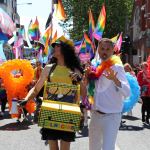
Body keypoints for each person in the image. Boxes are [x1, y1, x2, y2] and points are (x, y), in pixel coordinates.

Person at [19, 36, 86, 150]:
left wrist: (79, 80)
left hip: (68, 113)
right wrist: (26, 99)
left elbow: (84, 94)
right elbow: (36, 89)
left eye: (57, 46)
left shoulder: (75, 70)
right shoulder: (48, 68)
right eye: (54, 46)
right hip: (50, 112)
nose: (54, 48)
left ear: (65, 49)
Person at [86, 38, 130, 150]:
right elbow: (89, 91)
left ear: (112, 51)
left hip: (111, 116)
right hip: (95, 115)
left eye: (107, 49)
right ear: (98, 50)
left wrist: (115, 80)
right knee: (93, 148)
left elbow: (127, 92)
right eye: (102, 49)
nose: (104, 51)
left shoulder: (117, 68)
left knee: (108, 148)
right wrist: (86, 79)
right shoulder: (94, 67)